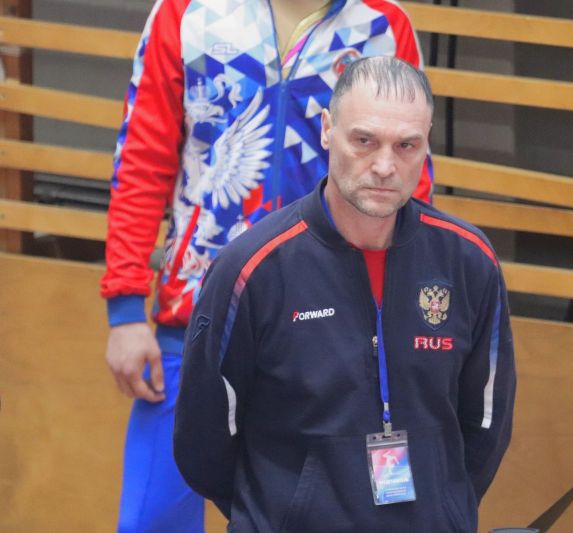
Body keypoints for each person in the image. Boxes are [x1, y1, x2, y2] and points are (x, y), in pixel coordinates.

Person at [100, 1, 432, 531]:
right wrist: (124, 307)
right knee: (153, 518)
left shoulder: (381, 25)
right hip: (196, 319)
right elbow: (142, 157)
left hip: (330, 329)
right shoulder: (185, 12)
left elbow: (412, 182)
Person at [175, 56, 515, 532]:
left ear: (426, 144)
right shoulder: (251, 269)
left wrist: (444, 509)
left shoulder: (469, 262)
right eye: (364, 140)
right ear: (326, 130)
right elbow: (203, 440)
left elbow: (487, 424)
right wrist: (286, 512)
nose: (384, 166)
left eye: (406, 145)